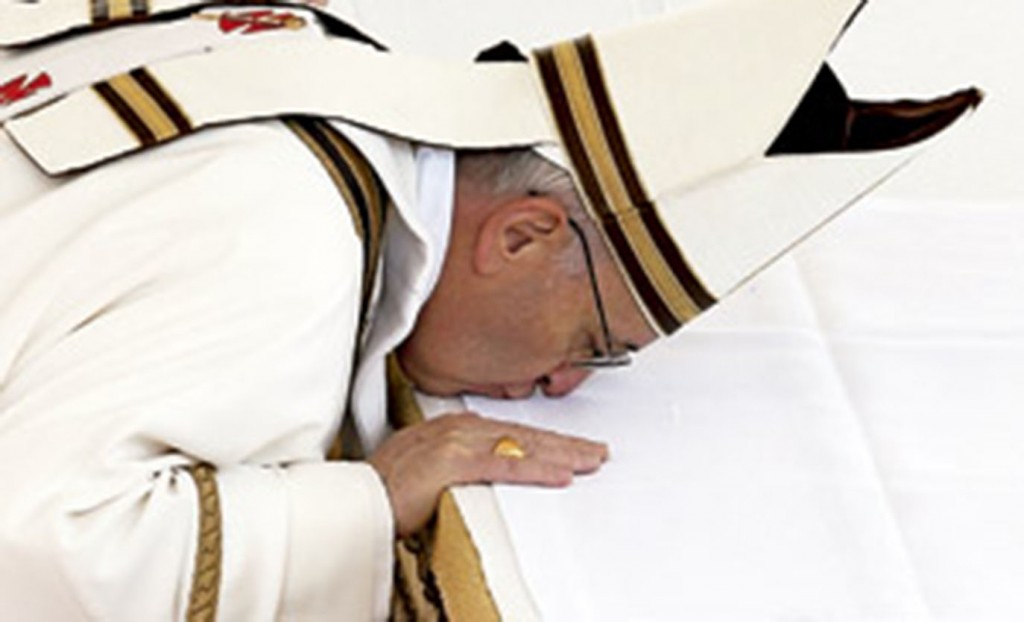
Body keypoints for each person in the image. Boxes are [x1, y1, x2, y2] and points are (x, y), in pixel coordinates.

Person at [0, 0, 979, 619]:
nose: (554, 385)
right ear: (520, 235)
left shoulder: (310, 45)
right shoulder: (288, 242)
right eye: (594, 347)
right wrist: (372, 500)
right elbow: (45, 550)